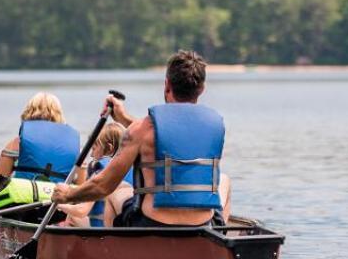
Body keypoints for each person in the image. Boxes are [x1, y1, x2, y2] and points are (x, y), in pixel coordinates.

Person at [53, 50, 232, 228]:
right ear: (202, 88)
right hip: (202, 224)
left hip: (153, 222)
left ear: (167, 84)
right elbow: (171, 138)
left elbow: (103, 186)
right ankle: (218, 238)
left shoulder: (141, 130)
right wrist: (124, 118)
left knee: (118, 190)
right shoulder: (216, 126)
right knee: (224, 181)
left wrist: (68, 194)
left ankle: (113, 252)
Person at [0, 92, 81, 183]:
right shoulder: (73, 147)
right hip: (58, 195)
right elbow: (81, 186)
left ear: (29, 111)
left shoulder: (16, 143)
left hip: (24, 195)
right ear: (59, 114)